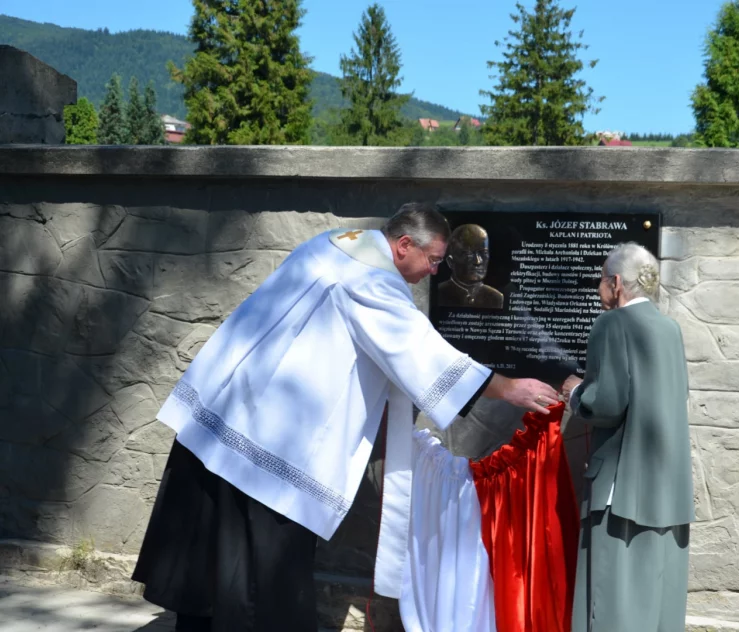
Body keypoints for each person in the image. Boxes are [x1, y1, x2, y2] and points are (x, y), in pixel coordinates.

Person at [131, 202, 559, 632]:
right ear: (404, 245)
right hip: (272, 440)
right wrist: (508, 387)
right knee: (260, 579)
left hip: (227, 412)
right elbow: (417, 350)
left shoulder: (331, 243)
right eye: (432, 260)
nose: (434, 271)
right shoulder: (372, 280)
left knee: (209, 565)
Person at [559, 242, 694, 632]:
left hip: (622, 487)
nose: (599, 287)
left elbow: (609, 402)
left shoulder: (611, 324)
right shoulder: (670, 329)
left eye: (601, 279)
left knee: (612, 592)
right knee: (656, 593)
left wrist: (575, 392)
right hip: (667, 487)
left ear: (616, 283)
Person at [437, 224, 504, 309]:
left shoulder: (496, 297)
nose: (478, 261)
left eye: (483, 253)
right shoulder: (440, 293)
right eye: (469, 255)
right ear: (451, 261)